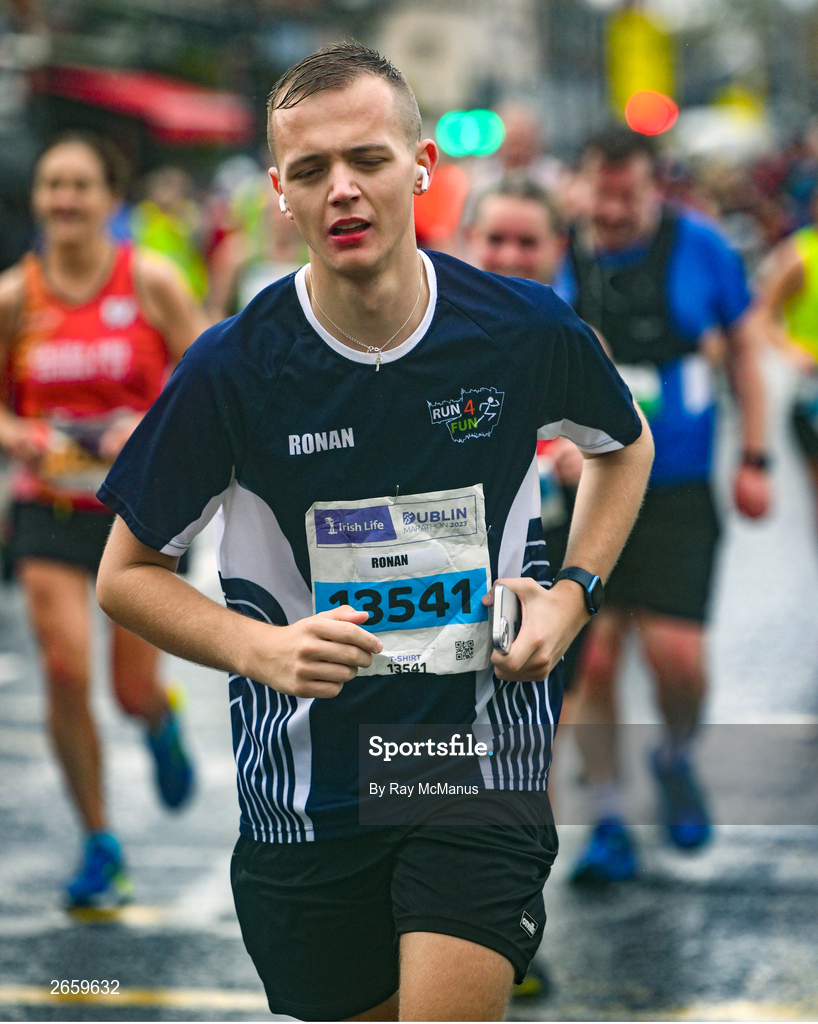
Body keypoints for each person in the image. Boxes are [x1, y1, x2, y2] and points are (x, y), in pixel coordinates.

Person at [95, 44, 653, 1021]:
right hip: (309, 792)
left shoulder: (520, 331)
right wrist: (259, 648)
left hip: (476, 761)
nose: (342, 190)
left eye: (367, 159)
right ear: (280, 191)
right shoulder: (232, 369)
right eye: (311, 170)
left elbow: (623, 444)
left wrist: (571, 598)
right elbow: (126, 573)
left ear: (421, 166)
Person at [554, 126, 771, 884]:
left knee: (678, 660)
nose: (612, 211)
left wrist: (754, 458)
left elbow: (744, 349)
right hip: (584, 491)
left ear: (655, 189)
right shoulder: (558, 253)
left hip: (677, 485)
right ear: (580, 185)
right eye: (600, 193)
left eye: (628, 195)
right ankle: (608, 816)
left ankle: (675, 755)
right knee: (595, 660)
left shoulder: (701, 247)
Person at [0, 131, 206, 907]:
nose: (65, 199)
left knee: (125, 689)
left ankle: (156, 716)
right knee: (63, 671)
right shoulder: (15, 297)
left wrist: (144, 428)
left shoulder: (150, 280)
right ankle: (99, 843)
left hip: (139, 510)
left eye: (80, 185)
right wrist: (18, 436)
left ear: (111, 199)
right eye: (53, 184)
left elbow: (206, 380)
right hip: (49, 506)